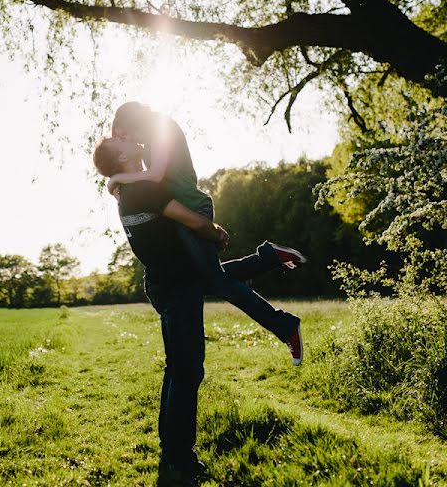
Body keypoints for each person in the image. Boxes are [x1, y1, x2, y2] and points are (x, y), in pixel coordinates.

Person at [93, 136, 303, 485]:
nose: (132, 141)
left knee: (182, 359)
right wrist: (216, 232)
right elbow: (193, 221)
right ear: (120, 158)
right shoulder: (142, 190)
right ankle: (178, 456)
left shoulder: (129, 190)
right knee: (186, 371)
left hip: (175, 279)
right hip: (174, 287)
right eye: (123, 142)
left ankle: (268, 259)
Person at [107, 102, 304, 363]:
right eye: (122, 139)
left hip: (191, 207)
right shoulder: (149, 137)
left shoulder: (162, 127)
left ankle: (285, 326)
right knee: (204, 278)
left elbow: (154, 176)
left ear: (132, 124)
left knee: (216, 281)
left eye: (124, 135)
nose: (128, 141)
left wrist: (116, 180)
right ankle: (269, 257)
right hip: (178, 210)